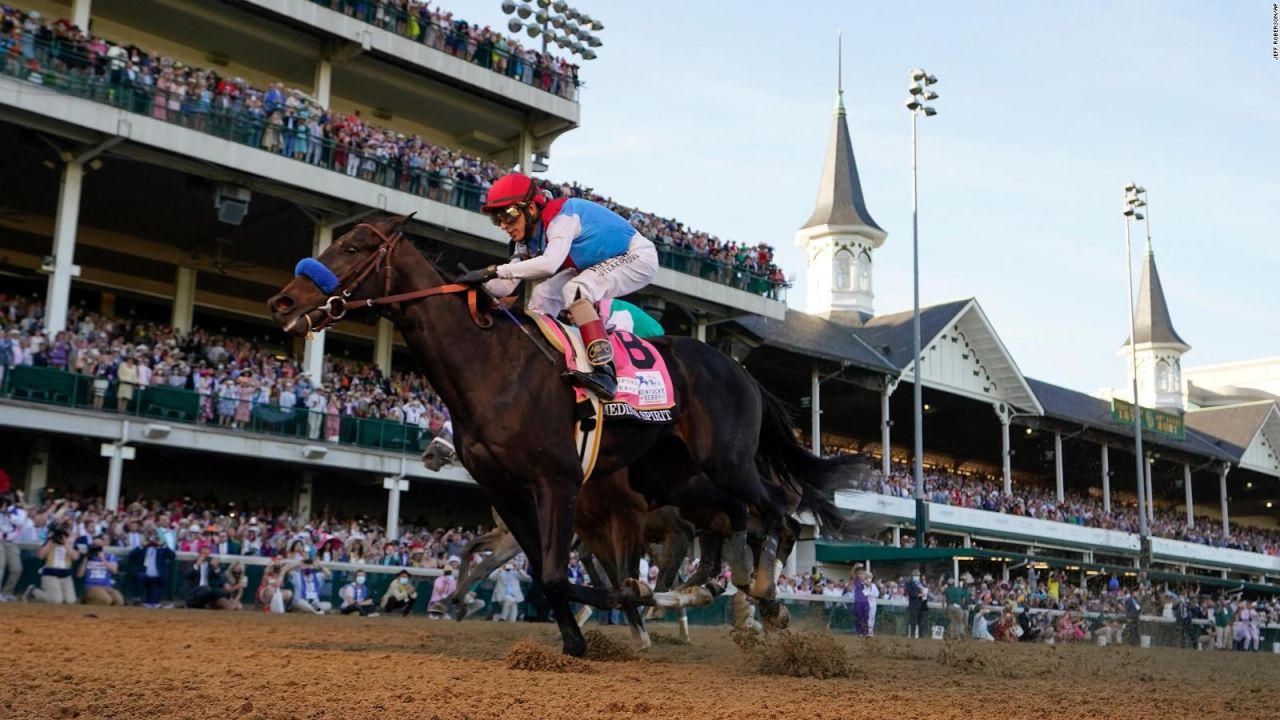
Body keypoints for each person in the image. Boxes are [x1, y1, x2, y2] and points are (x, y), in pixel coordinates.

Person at [462, 173, 660, 399]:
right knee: (542, 295)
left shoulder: (561, 218)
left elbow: (548, 264)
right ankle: (541, 361)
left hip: (636, 255)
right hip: (595, 263)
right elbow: (507, 286)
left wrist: (492, 271)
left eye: (509, 214)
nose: (504, 225)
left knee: (576, 289)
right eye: (497, 219)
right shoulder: (526, 239)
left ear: (532, 209)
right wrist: (471, 283)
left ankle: (605, 372)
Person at [27, 521, 78, 604]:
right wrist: (51, 540)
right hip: (50, 573)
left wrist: (66, 543)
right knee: (56, 600)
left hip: (66, 575)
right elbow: (40, 556)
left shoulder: (71, 544)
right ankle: (33, 591)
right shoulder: (49, 542)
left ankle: (54, 595)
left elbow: (75, 557)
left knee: (71, 601)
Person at [128, 532, 174, 608]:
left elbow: (172, 556)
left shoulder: (162, 549)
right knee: (140, 576)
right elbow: (131, 555)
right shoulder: (143, 548)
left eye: (155, 538)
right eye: (151, 538)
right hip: (144, 575)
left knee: (153, 603)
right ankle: (136, 598)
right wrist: (141, 545)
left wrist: (163, 545)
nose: (153, 541)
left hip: (156, 578)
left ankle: (150, 601)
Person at [78, 535, 124, 606]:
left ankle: (91, 601)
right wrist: (86, 558)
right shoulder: (88, 557)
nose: (96, 546)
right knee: (107, 600)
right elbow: (79, 575)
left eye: (98, 544)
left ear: (102, 545)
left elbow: (114, 570)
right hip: (91, 586)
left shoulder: (109, 556)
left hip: (106, 586)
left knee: (119, 601)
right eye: (94, 544)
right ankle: (86, 602)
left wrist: (103, 559)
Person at [905, 570, 929, 639]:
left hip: (922, 604)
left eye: (918, 575)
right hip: (914, 604)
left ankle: (921, 636)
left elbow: (925, 590)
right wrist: (919, 595)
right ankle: (912, 636)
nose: (917, 577)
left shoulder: (922, 583)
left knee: (921, 621)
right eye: (915, 575)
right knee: (913, 621)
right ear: (912, 576)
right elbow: (910, 593)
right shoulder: (909, 583)